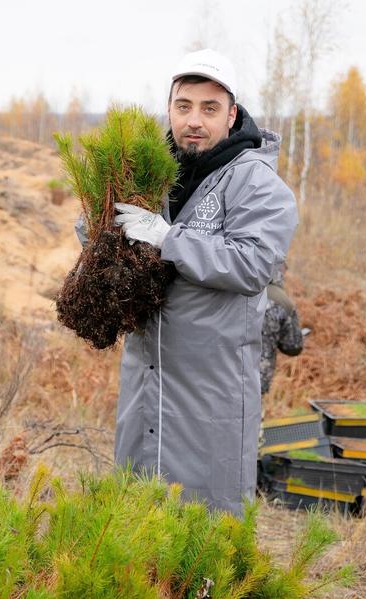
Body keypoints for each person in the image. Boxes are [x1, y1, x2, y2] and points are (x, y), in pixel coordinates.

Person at [78, 49, 298, 515]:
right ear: (170, 109)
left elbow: (252, 264)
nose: (193, 120)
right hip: (145, 382)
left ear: (232, 114)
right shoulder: (151, 176)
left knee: (204, 530)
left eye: (209, 107)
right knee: (136, 524)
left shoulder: (257, 185)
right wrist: (95, 227)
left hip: (210, 394)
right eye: (184, 106)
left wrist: (168, 238)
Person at [260, 262, 304, 396]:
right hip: (258, 379)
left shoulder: (231, 291)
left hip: (219, 374)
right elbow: (293, 346)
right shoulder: (283, 301)